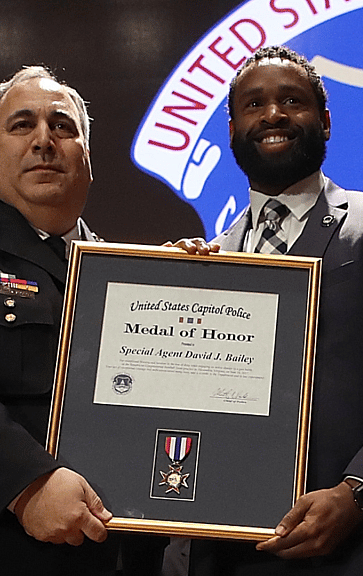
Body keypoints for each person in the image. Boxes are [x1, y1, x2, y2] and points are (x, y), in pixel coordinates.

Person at [180, 45, 363, 575]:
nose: (273, 114)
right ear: (231, 129)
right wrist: (164, 293)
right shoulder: (209, 265)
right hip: (241, 558)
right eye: (253, 105)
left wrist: (357, 494)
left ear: (323, 121)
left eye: (291, 101)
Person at [0, 65, 117, 575]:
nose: (44, 140)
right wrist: (25, 483)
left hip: (125, 552)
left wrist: (185, 283)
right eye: (21, 125)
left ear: (88, 161)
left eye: (63, 127)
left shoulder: (128, 273)